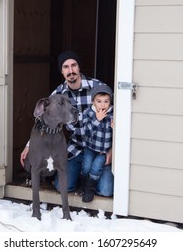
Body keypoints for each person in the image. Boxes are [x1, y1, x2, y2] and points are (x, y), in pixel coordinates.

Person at [20, 50, 114, 197]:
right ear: (62, 72)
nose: (71, 71)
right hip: (75, 147)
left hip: (98, 150)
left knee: (106, 190)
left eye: (74, 65)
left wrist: (112, 150)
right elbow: (43, 120)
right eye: (66, 67)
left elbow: (119, 118)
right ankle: (81, 177)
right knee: (63, 186)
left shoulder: (98, 89)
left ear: (79, 67)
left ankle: (89, 178)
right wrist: (29, 145)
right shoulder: (58, 95)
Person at [80, 84, 114, 203]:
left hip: (104, 151)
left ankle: (89, 189)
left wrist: (116, 128)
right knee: (86, 168)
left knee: (95, 168)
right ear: (93, 102)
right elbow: (85, 132)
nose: (103, 105)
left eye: (106, 101)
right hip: (91, 148)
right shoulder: (88, 113)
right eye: (99, 101)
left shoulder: (113, 114)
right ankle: (84, 184)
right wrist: (97, 119)